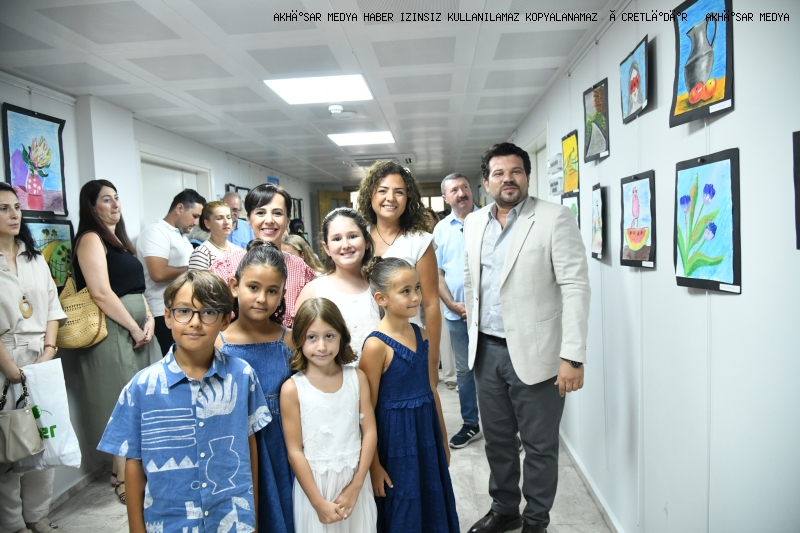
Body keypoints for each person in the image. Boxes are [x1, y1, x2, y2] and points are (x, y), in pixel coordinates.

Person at [463, 143, 591, 533]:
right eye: (499, 173)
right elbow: (472, 282)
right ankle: (505, 510)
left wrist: (572, 356)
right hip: (486, 352)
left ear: (527, 176)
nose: (508, 179)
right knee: (498, 441)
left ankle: (536, 521)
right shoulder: (474, 223)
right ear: (486, 182)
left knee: (539, 446)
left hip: (539, 355)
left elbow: (576, 287)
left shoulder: (554, 218)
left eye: (516, 171)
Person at [98, 270, 271, 533]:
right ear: (168, 316)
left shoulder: (242, 376)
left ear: (226, 320)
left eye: (208, 312)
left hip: (231, 520)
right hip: (169, 522)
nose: (195, 322)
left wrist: (252, 519)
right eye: (184, 311)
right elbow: (134, 462)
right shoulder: (141, 387)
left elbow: (249, 447)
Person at [359, 257, 458, 533]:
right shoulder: (375, 346)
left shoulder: (423, 335)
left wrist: (443, 441)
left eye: (417, 288)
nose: (415, 297)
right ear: (381, 298)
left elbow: (431, 391)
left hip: (426, 436)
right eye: (405, 291)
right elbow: (366, 410)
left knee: (431, 499)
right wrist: (374, 466)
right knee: (402, 506)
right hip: (395, 444)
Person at [71, 179, 154, 505]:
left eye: (117, 197)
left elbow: (136, 287)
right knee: (118, 400)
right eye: (107, 199)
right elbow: (101, 293)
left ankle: (134, 469)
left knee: (141, 399)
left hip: (137, 328)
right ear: (92, 207)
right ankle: (120, 475)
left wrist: (148, 318)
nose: (116, 204)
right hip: (113, 330)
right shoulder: (90, 239)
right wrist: (133, 327)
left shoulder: (119, 241)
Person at [0, 182, 67, 533]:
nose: (14, 214)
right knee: (10, 444)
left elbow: (53, 308)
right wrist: (10, 369)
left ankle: (37, 515)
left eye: (16, 206)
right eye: (3, 209)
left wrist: (49, 350)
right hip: (5, 358)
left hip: (42, 355)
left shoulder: (33, 256)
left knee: (46, 439)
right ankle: (13, 524)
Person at [214, 240, 295, 533]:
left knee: (285, 513)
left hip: (282, 446)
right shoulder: (218, 342)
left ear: (282, 294)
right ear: (235, 286)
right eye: (253, 287)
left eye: (272, 291)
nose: (262, 298)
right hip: (235, 447)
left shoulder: (289, 339)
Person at [281, 298, 378, 532]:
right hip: (315, 489)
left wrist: (356, 485)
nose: (322, 347)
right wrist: (317, 503)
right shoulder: (293, 389)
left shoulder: (357, 379)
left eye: (329, 336)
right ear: (299, 339)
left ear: (342, 336)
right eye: (312, 337)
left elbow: (370, 432)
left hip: (355, 482)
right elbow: (295, 451)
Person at [355, 161, 442, 381]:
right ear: (370, 195)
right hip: (360, 339)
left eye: (399, 192)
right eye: (382, 190)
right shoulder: (357, 237)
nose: (390, 198)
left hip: (407, 345)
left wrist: (432, 360)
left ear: (408, 198)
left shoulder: (419, 242)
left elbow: (431, 304)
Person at [210, 184, 316, 326]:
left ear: (287, 220)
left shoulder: (301, 270)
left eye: (277, 213)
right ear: (249, 219)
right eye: (260, 213)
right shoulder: (225, 268)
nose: (269, 220)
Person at [435, 173, 482, 449]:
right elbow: (437, 274)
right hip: (457, 316)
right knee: (465, 372)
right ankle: (471, 423)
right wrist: (453, 304)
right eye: (454, 190)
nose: (462, 193)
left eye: (465, 187)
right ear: (446, 198)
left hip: (489, 314)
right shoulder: (441, 230)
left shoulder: (489, 219)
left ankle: (506, 428)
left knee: (498, 372)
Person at [294, 208, 380, 360]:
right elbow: (299, 342)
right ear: (326, 248)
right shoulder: (313, 290)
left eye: (352, 236)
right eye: (337, 239)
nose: (345, 245)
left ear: (366, 242)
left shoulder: (381, 287)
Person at [137, 188, 206, 355]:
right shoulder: (155, 232)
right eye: (195, 216)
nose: (196, 222)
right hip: (163, 310)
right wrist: (194, 268)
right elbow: (158, 273)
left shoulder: (181, 236)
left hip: (183, 307)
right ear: (180, 208)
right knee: (177, 359)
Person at [188, 200, 242, 271]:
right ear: (207, 223)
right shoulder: (201, 253)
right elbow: (196, 278)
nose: (226, 222)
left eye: (229, 217)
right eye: (219, 218)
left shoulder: (238, 250)